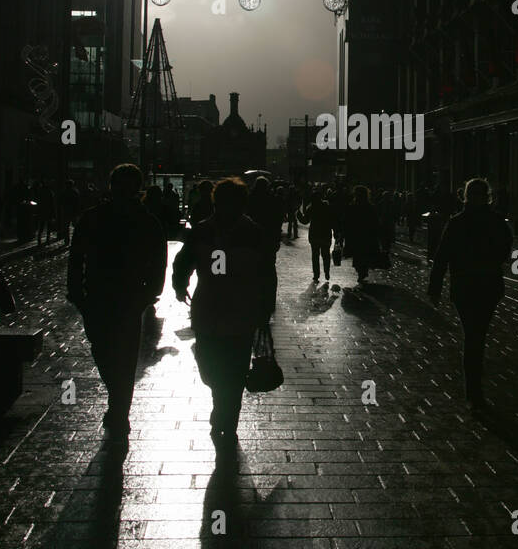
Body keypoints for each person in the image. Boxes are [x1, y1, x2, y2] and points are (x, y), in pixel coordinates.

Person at [172, 177, 276, 453]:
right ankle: (222, 402)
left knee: (234, 367)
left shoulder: (252, 233)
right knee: (211, 365)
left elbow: (267, 273)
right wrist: (180, 283)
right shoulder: (204, 231)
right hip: (213, 308)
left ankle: (227, 417)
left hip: (235, 311)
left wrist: (265, 306)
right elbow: (184, 261)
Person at [68, 163, 167, 443]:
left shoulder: (143, 220)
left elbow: (158, 258)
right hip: (104, 294)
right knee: (105, 349)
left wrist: (151, 291)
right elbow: (77, 256)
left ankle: (119, 407)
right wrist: (75, 290)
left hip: (124, 295)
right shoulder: (95, 218)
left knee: (118, 353)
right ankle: (118, 398)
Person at [428, 177, 512, 410]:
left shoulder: (458, 222)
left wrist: (435, 288)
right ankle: (474, 390)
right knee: (476, 336)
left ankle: (473, 390)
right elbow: (505, 248)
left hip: (470, 285)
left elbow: (442, 255)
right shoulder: (494, 221)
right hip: (482, 285)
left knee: (475, 336)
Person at [343, 186, 379, 284]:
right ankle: (363, 272)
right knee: (364, 254)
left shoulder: (352, 206)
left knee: (357, 255)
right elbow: (375, 222)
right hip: (366, 235)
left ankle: (361, 272)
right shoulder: (370, 207)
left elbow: (347, 221)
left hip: (356, 234)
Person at [299, 192, 334, 282]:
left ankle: (316, 275)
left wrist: (298, 214)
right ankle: (327, 272)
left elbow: (305, 221)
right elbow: (333, 220)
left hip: (314, 235)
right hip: (326, 234)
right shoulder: (327, 207)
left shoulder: (311, 208)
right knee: (326, 255)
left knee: (315, 255)